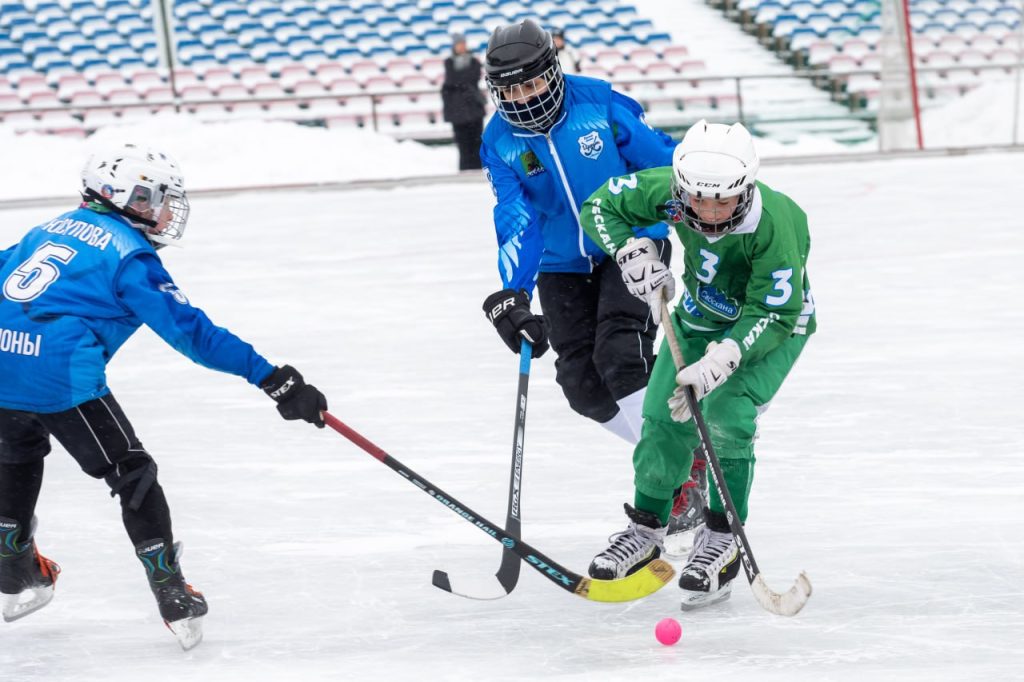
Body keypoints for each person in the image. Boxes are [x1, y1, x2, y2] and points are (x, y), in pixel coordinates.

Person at [0, 144, 328, 649]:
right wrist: (273, 377)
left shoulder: (51, 226)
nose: (169, 212)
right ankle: (172, 592)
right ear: (124, 197)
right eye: (159, 199)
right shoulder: (129, 255)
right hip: (57, 373)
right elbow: (191, 333)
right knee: (131, 472)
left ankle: (14, 569)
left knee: (17, 452)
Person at [477, 19, 706, 535]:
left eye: (531, 84)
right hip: (562, 262)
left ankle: (675, 481)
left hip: (628, 242)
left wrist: (683, 217)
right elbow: (516, 217)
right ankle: (686, 456)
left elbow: (665, 165)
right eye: (509, 90)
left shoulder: (601, 105)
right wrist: (513, 293)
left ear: (554, 73)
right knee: (581, 385)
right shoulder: (500, 142)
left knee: (619, 356)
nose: (523, 98)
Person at [579, 121, 815, 610]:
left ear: (746, 190)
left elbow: (774, 310)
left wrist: (724, 358)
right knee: (662, 418)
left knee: (726, 416)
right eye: (698, 202)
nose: (708, 214)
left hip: (771, 327)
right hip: (700, 315)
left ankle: (722, 538)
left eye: (723, 202)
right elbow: (600, 205)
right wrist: (631, 250)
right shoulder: (672, 191)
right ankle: (646, 528)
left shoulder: (776, 223)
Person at [441, 33, 487, 171]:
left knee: (477, 141)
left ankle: (480, 169)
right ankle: (465, 170)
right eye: (459, 44)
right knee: (463, 144)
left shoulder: (474, 61)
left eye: (463, 44)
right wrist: (463, 80)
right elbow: (452, 79)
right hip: (457, 112)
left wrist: (459, 80)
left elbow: (472, 77)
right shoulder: (449, 62)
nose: (462, 47)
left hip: (473, 109)